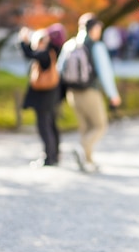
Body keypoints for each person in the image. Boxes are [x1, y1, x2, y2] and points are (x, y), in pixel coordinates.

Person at [59, 14, 121, 173]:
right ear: (93, 29)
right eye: (98, 29)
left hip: (72, 93)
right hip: (89, 91)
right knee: (100, 125)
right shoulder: (96, 46)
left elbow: (59, 70)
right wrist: (113, 94)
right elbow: (105, 72)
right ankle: (81, 149)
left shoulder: (69, 44)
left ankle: (88, 161)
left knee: (85, 128)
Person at [19, 26, 64, 167]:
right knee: (51, 124)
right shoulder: (51, 52)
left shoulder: (45, 54)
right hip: (51, 97)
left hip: (44, 98)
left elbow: (29, 54)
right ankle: (54, 155)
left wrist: (23, 41)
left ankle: (49, 156)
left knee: (44, 126)